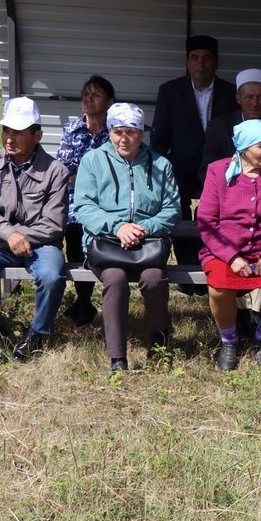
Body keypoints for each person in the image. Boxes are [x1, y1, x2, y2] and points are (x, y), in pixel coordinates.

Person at [0, 97, 69, 363]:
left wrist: (7, 237)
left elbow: (53, 225)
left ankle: (37, 334)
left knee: (53, 275)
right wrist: (9, 236)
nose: (9, 138)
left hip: (41, 246)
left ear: (37, 135)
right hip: (1, 243)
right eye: (6, 130)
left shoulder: (56, 171)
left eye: (18, 132)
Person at [73, 103, 181, 373]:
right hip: (106, 243)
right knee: (115, 278)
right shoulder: (93, 161)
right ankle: (117, 357)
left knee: (154, 279)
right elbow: (84, 207)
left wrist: (143, 228)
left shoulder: (161, 164)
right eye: (118, 131)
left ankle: (159, 346)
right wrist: (118, 227)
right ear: (109, 132)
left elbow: (172, 208)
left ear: (141, 134)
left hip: (148, 242)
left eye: (131, 132)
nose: (124, 138)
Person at [197, 119, 261, 371]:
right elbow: (207, 220)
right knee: (219, 287)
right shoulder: (217, 171)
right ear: (243, 147)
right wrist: (231, 257)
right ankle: (229, 340)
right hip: (224, 253)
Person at [151, 35, 236, 226]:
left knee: (215, 214)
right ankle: (185, 255)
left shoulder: (231, 92)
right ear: (187, 62)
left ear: (216, 62)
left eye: (207, 57)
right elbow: (159, 136)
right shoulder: (170, 91)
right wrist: (158, 168)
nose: (201, 63)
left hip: (220, 165)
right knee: (176, 213)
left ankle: (208, 252)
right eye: (195, 57)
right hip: (180, 164)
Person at [55, 74, 114, 326]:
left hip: (109, 204)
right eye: (85, 94)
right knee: (75, 246)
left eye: (96, 94)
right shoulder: (71, 129)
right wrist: (92, 178)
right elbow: (64, 171)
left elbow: (116, 174)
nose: (89, 99)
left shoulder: (116, 132)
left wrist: (85, 176)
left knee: (103, 249)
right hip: (74, 204)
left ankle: (108, 299)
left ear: (110, 101)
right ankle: (83, 300)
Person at [201, 69, 261, 178]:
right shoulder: (218, 128)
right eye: (249, 97)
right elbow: (208, 172)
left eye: (260, 97)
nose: (255, 103)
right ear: (238, 99)